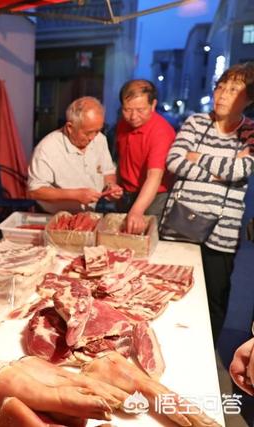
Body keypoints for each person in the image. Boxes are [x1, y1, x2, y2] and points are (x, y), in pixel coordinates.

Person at [162, 62, 254, 343]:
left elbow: (242, 170)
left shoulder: (250, 132)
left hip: (222, 231)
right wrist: (218, 173)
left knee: (214, 296)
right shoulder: (196, 122)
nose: (223, 95)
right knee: (171, 288)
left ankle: (206, 348)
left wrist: (197, 157)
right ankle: (171, 343)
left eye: (234, 90)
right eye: (220, 87)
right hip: (180, 223)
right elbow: (174, 161)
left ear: (249, 99)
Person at [27, 96, 123, 214]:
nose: (92, 137)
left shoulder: (100, 139)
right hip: (53, 216)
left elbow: (107, 172)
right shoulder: (46, 148)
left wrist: (110, 186)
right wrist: (75, 195)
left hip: (88, 214)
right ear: (70, 127)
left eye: (98, 131)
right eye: (87, 133)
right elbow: (35, 191)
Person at [116, 79, 176, 234]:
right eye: (127, 110)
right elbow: (122, 160)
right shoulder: (123, 124)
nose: (133, 116)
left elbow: (154, 176)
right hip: (126, 194)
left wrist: (137, 211)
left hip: (154, 198)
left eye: (140, 110)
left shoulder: (161, 132)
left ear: (153, 105)